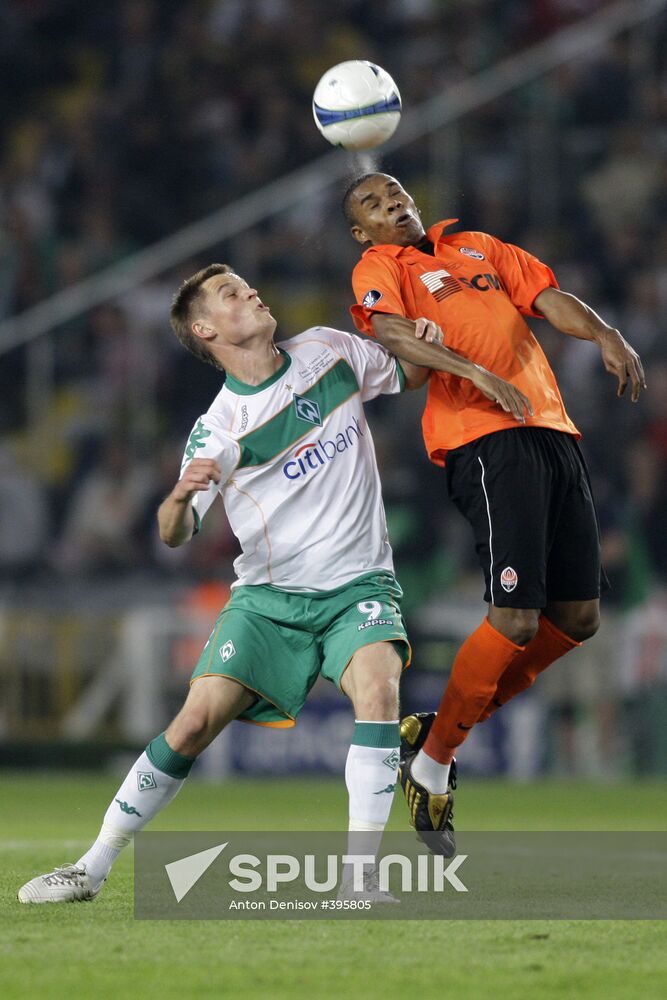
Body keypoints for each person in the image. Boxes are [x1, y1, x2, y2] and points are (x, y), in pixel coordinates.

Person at [20, 262, 511, 903]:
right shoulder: (218, 428)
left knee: (379, 689)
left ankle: (358, 878)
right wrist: (177, 497)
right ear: (205, 328)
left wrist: (425, 338)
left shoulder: (327, 350)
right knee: (192, 725)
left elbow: (410, 373)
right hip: (269, 601)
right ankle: (91, 865)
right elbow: (174, 532)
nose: (250, 291)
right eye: (230, 293)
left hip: (358, 585)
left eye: (247, 284)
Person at [342, 172, 646, 850]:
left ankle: (433, 742)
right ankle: (436, 759)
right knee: (511, 615)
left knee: (577, 617)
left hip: (552, 432)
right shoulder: (378, 266)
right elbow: (392, 335)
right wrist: (475, 373)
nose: (389, 202)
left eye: (394, 192)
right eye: (370, 203)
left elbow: (547, 297)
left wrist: (601, 333)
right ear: (361, 231)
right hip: (482, 442)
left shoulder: (477, 247)